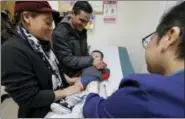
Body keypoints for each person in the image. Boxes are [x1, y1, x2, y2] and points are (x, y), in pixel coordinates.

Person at [82, 2, 185, 118]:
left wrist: (92, 91)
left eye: (152, 37)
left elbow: (95, 111)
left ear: (169, 37)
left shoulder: (145, 92)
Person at [1, 1, 83, 118]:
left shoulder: (40, 43)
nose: (51, 28)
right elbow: (29, 97)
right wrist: (66, 91)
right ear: (27, 17)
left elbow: (50, 70)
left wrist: (68, 80)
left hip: (58, 104)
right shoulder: (11, 51)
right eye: (48, 22)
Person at [52, 1, 105, 78]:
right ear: (73, 14)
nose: (83, 25)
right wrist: (91, 61)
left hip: (81, 70)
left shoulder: (82, 30)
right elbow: (68, 60)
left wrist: (95, 60)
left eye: (86, 22)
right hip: (68, 77)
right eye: (81, 20)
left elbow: (84, 52)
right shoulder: (59, 33)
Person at [50, 50, 110, 114]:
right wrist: (76, 78)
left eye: (96, 56)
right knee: (75, 90)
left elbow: (106, 74)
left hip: (94, 79)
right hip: (83, 79)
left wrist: (103, 67)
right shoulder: (86, 65)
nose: (94, 57)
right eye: (91, 56)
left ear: (101, 60)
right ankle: (67, 104)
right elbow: (79, 73)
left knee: (93, 91)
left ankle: (90, 105)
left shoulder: (102, 66)